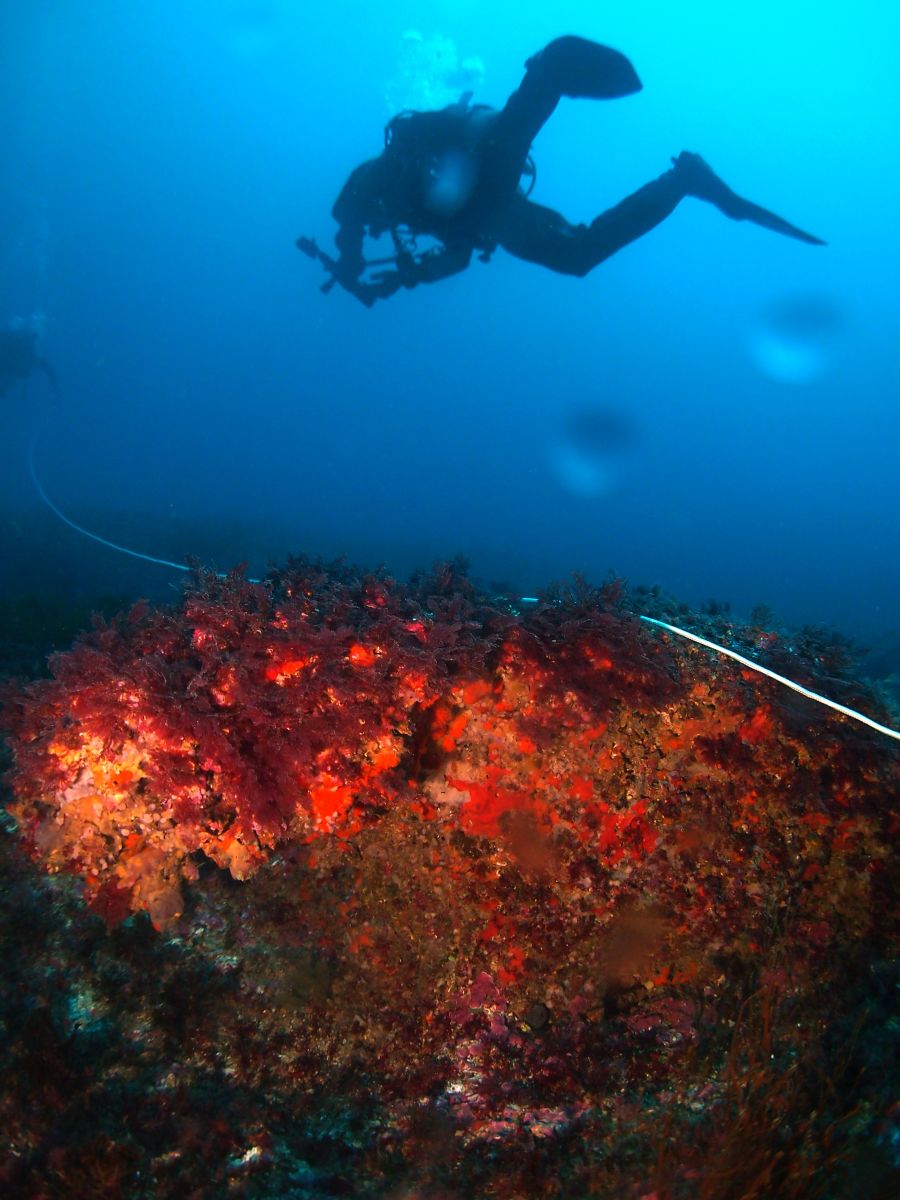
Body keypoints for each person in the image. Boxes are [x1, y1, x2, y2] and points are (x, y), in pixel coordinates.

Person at [299, 35, 824, 307]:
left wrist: (350, 265)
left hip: (476, 174)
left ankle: (548, 68)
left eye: (368, 228)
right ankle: (683, 179)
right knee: (576, 256)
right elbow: (458, 254)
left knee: (508, 136)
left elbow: (348, 226)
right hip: (488, 211)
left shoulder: (369, 184)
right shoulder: (396, 209)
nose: (373, 231)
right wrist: (408, 276)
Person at [0, 326, 59, 401]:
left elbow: (47, 369)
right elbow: (48, 370)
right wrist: (54, 386)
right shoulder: (29, 356)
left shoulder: (26, 356)